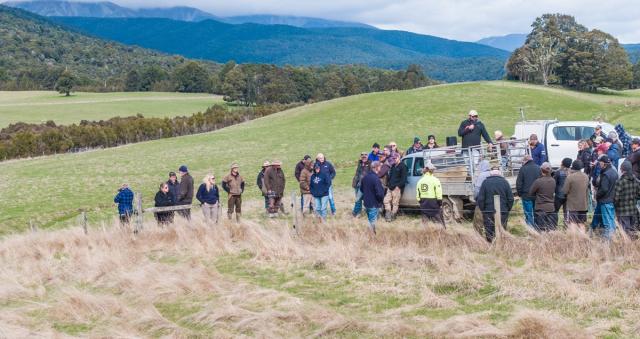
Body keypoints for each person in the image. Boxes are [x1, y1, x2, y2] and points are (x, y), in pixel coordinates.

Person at [476, 167, 514, 242]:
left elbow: (480, 199)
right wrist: (507, 209)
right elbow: (511, 199)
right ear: (499, 173)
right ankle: (501, 246)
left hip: (488, 211)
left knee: (489, 231)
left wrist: (483, 210)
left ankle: (490, 246)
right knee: (502, 229)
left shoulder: (485, 183)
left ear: (491, 174)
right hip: (502, 211)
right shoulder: (505, 182)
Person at [591, 155, 618, 240]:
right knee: (607, 219)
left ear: (603, 163)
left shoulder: (606, 174)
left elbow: (604, 189)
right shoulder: (614, 172)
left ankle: (607, 242)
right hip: (610, 200)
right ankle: (591, 234)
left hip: (605, 201)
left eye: (600, 163)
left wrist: (596, 195)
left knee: (607, 223)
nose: (599, 164)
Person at [614, 161, 640, 239]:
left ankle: (627, 249)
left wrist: (615, 206)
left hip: (622, 211)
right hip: (633, 211)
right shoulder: (637, 181)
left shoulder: (620, 182)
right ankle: (633, 249)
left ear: (622, 170)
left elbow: (616, 198)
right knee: (633, 232)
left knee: (625, 233)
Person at [562, 160, 590, 231]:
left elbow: (564, 191)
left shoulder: (570, 177)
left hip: (572, 206)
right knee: (582, 224)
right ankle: (582, 239)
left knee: (572, 223)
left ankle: (573, 240)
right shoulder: (586, 176)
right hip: (583, 205)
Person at [529, 162, 557, 231]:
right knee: (551, 229)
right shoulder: (553, 180)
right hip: (551, 208)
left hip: (540, 208)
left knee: (541, 229)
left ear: (541, 170)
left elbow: (530, 192)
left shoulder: (538, 181)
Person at [360, 161, 385, 234]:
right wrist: (380, 200)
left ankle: (372, 235)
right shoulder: (376, 179)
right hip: (374, 203)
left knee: (371, 221)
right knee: (373, 222)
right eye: (380, 167)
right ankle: (372, 237)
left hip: (366, 203)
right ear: (376, 167)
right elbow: (379, 193)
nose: (380, 168)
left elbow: (361, 189)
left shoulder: (365, 177)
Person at [516, 155, 541, 228]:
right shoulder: (538, 168)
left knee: (528, 213)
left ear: (525, 161)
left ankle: (530, 229)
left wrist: (520, 193)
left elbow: (519, 183)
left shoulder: (523, 169)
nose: (522, 163)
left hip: (526, 195)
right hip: (536, 194)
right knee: (536, 212)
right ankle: (537, 227)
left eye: (522, 161)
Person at [416, 162, 444, 227]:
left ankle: (425, 235)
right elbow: (438, 193)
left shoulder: (420, 181)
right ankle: (441, 233)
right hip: (433, 203)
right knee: (439, 222)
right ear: (431, 170)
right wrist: (440, 203)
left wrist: (420, 202)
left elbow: (418, 195)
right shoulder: (435, 180)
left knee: (425, 223)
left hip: (423, 203)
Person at [384, 154, 408, 221]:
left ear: (399, 158)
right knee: (386, 200)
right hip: (390, 187)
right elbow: (390, 176)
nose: (394, 159)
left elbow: (404, 179)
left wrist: (398, 186)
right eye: (393, 158)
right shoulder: (393, 166)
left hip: (397, 188)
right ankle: (388, 214)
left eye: (395, 158)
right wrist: (388, 184)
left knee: (395, 203)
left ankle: (393, 216)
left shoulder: (403, 166)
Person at [473, 160, 492, 234]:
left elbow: (477, 189)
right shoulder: (491, 173)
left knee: (478, 220)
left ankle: (478, 236)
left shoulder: (481, 175)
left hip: (481, 201)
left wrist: (475, 198)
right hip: (491, 201)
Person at [554, 158, 572, 225]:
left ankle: (554, 225)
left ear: (562, 163)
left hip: (559, 195)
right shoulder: (572, 172)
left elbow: (554, 182)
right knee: (567, 212)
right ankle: (566, 226)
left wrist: (555, 191)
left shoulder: (558, 172)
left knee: (555, 211)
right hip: (568, 195)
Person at [352, 152, 370, 217]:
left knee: (359, 199)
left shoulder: (370, 164)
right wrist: (354, 182)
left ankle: (355, 212)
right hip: (357, 184)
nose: (364, 158)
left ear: (367, 157)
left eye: (365, 156)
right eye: (362, 156)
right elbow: (357, 174)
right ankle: (358, 213)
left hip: (364, 185)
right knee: (358, 199)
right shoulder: (359, 163)